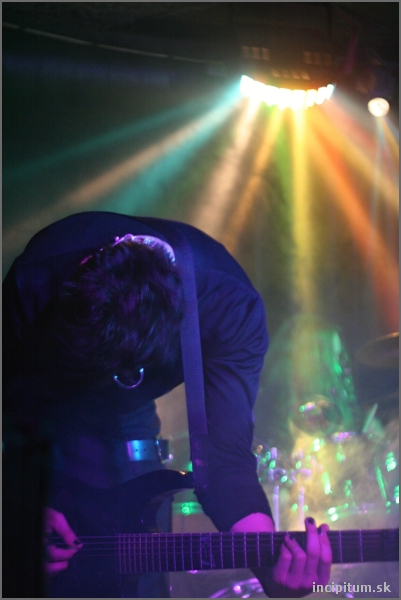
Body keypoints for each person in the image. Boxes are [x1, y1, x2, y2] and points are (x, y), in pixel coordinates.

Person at [3, 212, 332, 598]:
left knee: (140, 578)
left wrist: (268, 567)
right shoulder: (34, 280)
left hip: (131, 423)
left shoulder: (228, 307)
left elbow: (224, 460)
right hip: (43, 419)